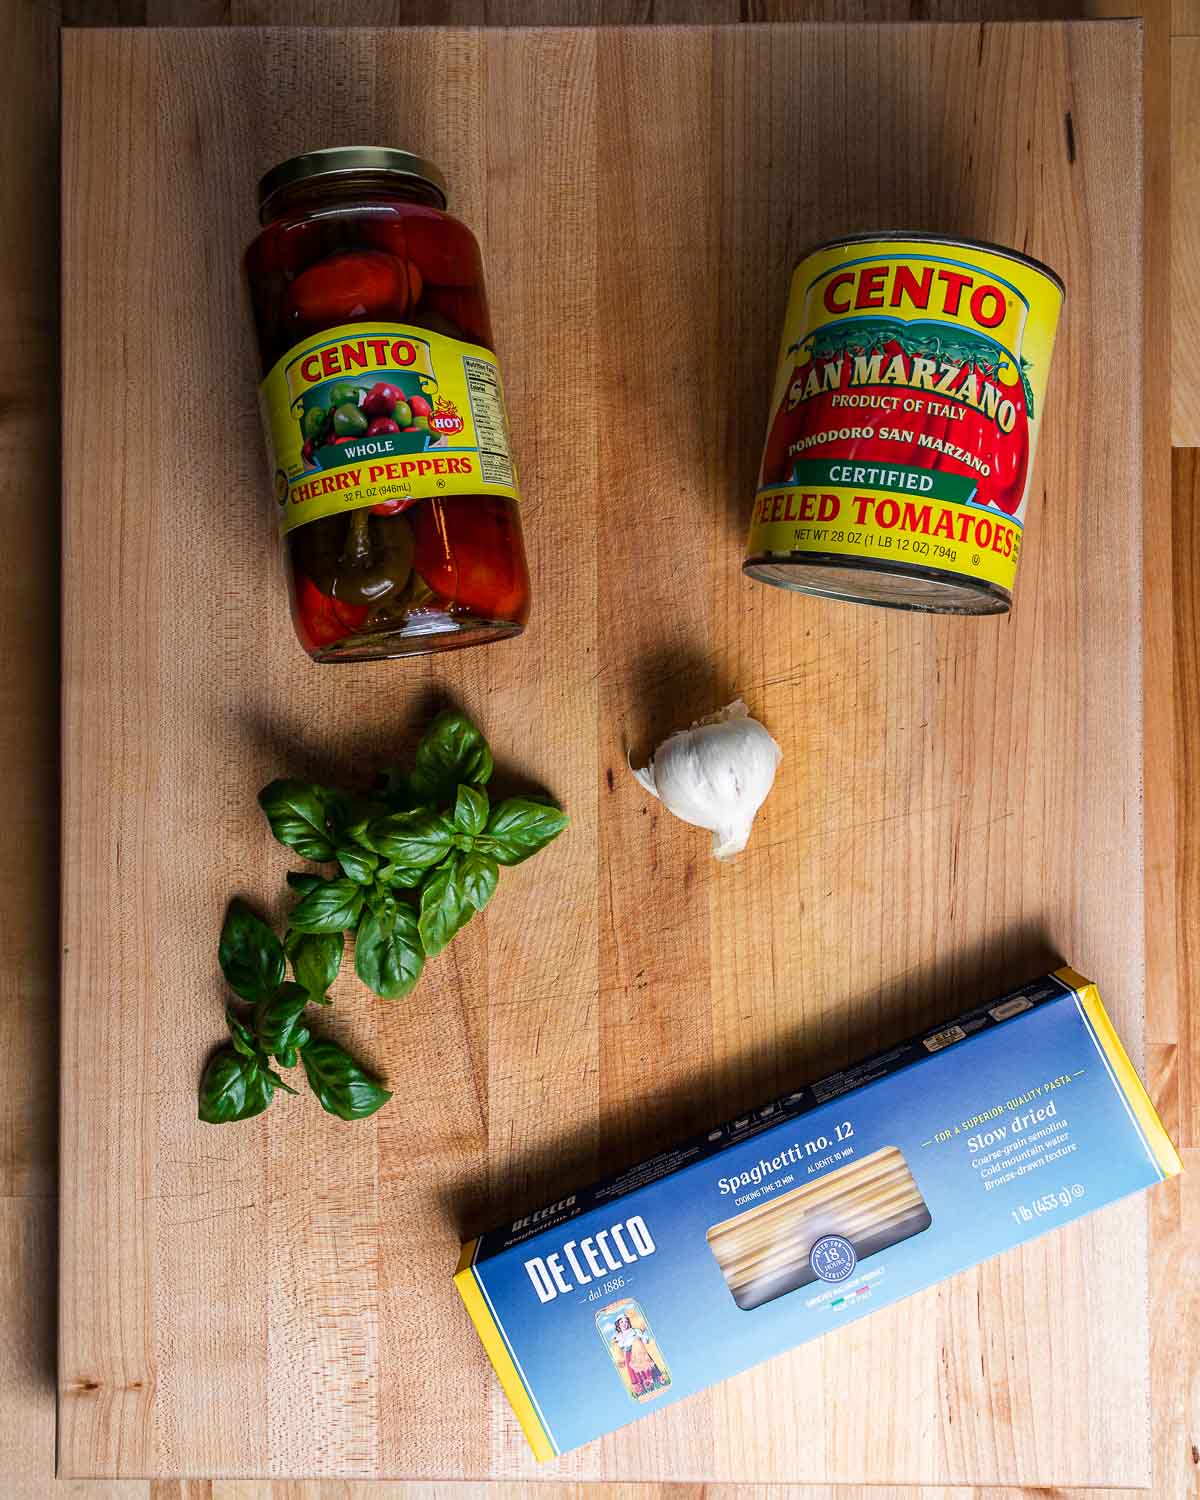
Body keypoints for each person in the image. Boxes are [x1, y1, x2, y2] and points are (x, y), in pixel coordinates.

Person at [612, 1312, 665, 1396]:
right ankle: (639, 1386)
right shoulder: (619, 1336)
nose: (624, 1323)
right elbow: (621, 1345)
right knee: (632, 1370)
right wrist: (617, 1340)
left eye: (626, 1321)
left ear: (628, 1322)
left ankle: (652, 1381)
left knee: (645, 1366)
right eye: (622, 1322)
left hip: (639, 1351)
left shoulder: (634, 1331)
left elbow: (645, 1338)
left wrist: (641, 1338)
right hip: (628, 1353)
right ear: (618, 1324)